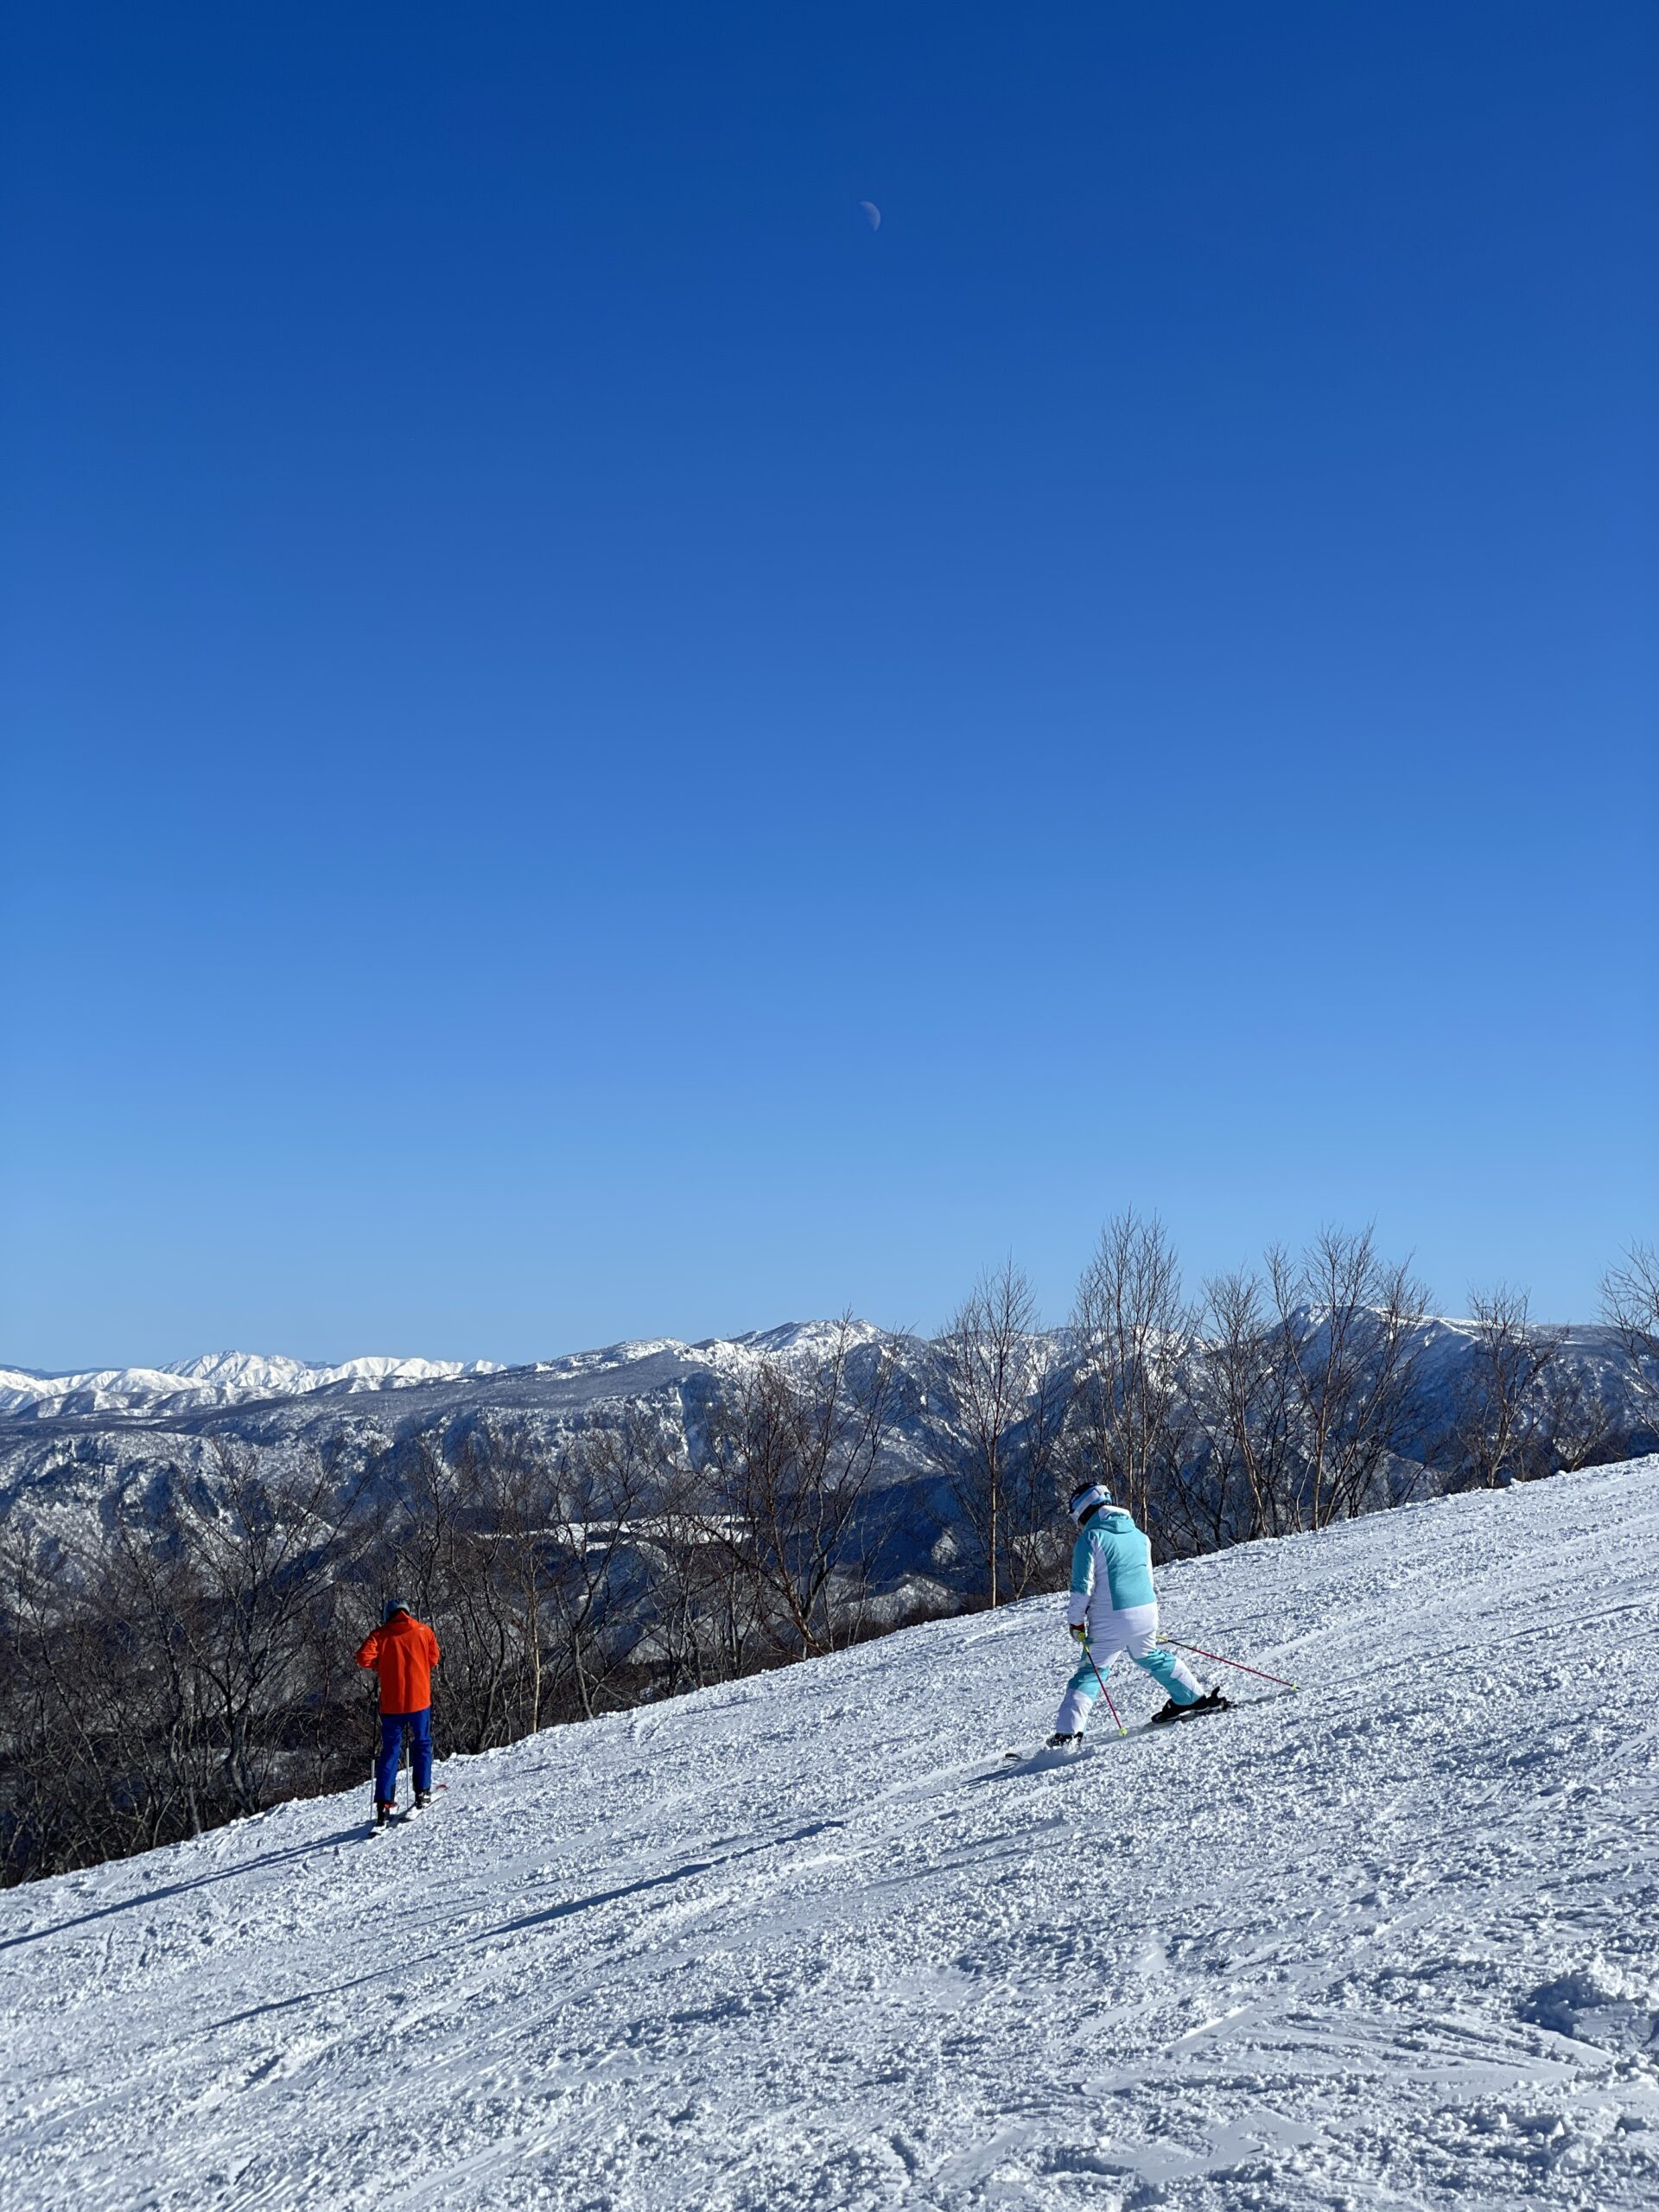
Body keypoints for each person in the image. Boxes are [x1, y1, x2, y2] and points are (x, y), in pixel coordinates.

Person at [1047, 1483, 1224, 1747]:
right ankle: (1191, 1697)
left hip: (1111, 1617)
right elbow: (1148, 1578)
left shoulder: (1091, 1537)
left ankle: (1068, 1734)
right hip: (1147, 1611)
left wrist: (1075, 1622)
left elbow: (1081, 1587)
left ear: (1084, 1510)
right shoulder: (1141, 1536)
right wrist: (1139, 1621)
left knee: (1091, 1671)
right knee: (1148, 1655)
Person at [356, 1600, 442, 1825]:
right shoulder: (424, 1631)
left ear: (388, 1615)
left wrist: (381, 1664)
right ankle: (422, 1792)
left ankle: (384, 1805)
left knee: (390, 1752)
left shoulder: (380, 1635)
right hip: (420, 1700)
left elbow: (362, 1658)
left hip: (391, 1705)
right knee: (422, 1744)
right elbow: (433, 1659)